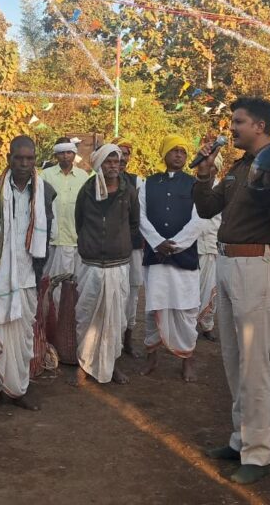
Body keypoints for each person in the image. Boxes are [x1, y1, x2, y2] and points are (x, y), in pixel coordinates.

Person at [193, 97, 270, 485]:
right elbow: (207, 209)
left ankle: (257, 453)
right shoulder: (239, 167)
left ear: (259, 125)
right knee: (233, 358)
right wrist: (204, 174)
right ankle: (240, 440)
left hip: (257, 265)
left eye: (238, 122)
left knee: (254, 364)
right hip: (227, 263)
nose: (232, 128)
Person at [0, 135, 55, 417]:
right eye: (18, 158)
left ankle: (19, 390)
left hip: (28, 277)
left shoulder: (45, 192)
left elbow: (50, 233)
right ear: (9, 158)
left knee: (23, 339)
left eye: (29, 158)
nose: (24, 163)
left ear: (35, 160)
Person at [72, 144, 140, 386]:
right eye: (108, 161)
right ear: (99, 164)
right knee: (87, 316)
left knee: (115, 319)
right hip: (90, 264)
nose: (113, 166)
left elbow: (134, 224)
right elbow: (79, 222)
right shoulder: (87, 190)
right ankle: (83, 365)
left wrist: (119, 243)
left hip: (117, 265)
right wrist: (90, 243)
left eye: (116, 161)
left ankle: (113, 365)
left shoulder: (128, 191)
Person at [139, 135, 204, 382]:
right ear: (164, 154)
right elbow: (141, 217)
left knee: (187, 309)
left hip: (184, 257)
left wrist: (175, 245)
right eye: (174, 150)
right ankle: (152, 357)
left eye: (183, 152)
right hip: (156, 256)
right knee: (153, 307)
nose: (179, 155)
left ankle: (188, 359)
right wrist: (157, 242)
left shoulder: (195, 184)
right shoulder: (148, 183)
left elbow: (199, 220)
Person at [40, 137, 88, 305]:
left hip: (75, 239)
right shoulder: (45, 176)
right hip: (53, 240)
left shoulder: (83, 176)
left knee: (75, 285)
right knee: (51, 283)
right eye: (61, 153)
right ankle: (50, 316)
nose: (65, 156)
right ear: (56, 155)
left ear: (74, 154)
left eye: (69, 152)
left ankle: (69, 317)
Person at [117, 141, 145, 358]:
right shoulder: (96, 182)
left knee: (132, 292)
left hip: (133, 246)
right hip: (108, 248)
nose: (122, 158)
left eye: (126, 154)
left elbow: (141, 216)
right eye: (118, 153)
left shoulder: (137, 182)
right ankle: (112, 340)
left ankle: (127, 339)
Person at [196, 153, 223, 341]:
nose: (209, 170)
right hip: (192, 245)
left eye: (212, 167)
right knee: (192, 288)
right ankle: (189, 324)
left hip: (213, 247)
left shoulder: (223, 189)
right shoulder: (195, 187)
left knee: (211, 289)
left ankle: (207, 325)